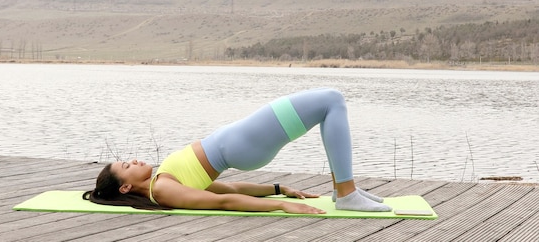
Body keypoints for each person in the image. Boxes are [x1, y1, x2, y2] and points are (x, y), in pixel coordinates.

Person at [83, 88, 392, 214]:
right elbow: (223, 201)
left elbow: (227, 186)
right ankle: (348, 194)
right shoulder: (163, 189)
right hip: (244, 143)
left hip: (243, 143)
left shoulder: (161, 182)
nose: (134, 160)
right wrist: (282, 207)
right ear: (125, 185)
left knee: (329, 104)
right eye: (127, 165)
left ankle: (343, 189)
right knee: (331, 100)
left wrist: (277, 189)